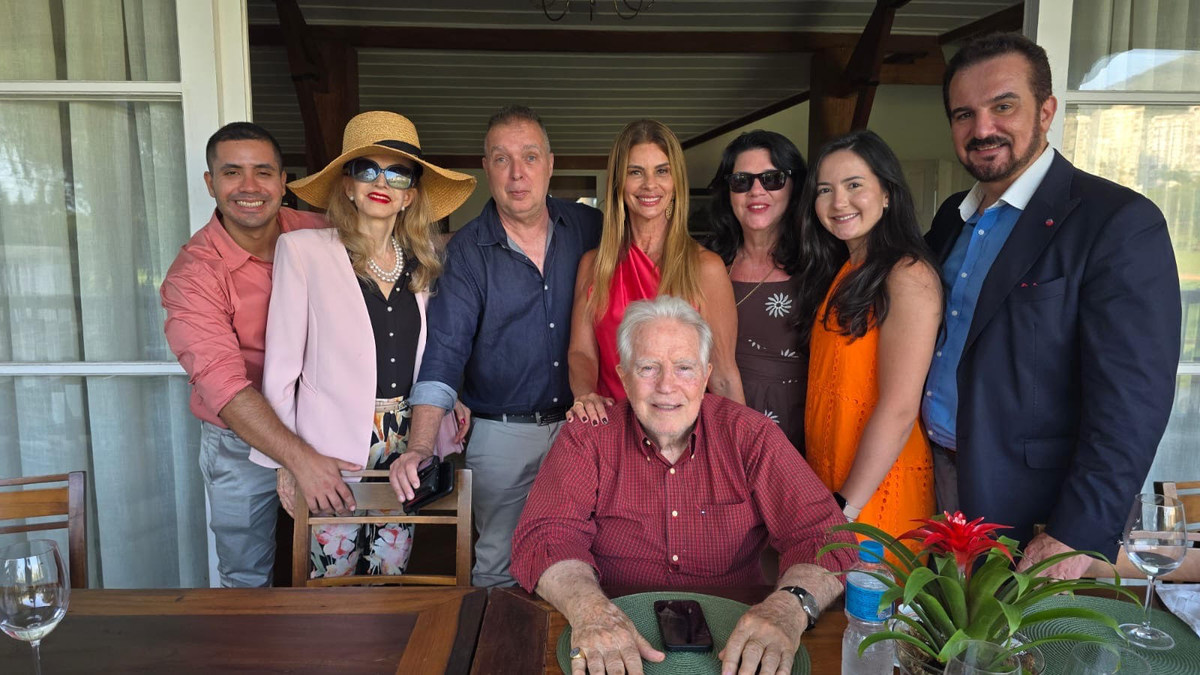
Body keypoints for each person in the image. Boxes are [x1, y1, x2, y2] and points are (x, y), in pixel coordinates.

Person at [923, 33, 1180, 579]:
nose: (982, 128)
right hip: (933, 477)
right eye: (964, 113)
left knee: (1020, 656)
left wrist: (1078, 532)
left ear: (1046, 110)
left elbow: (1132, 401)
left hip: (1031, 506)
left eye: (1003, 106)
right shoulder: (951, 218)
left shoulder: (1116, 222)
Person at [512, 295, 857, 675]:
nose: (666, 386)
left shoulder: (751, 436)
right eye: (647, 368)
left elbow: (828, 536)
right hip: (611, 632)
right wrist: (591, 611)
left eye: (684, 368)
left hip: (734, 640)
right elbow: (543, 536)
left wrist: (788, 608)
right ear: (623, 375)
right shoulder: (588, 438)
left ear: (706, 376)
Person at [247, 111, 473, 577]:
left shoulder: (427, 265)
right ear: (347, 185)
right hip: (327, 442)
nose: (381, 182)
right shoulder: (304, 251)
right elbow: (281, 370)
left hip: (406, 438)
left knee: (391, 568)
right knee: (332, 573)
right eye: (366, 169)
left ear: (410, 195)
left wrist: (455, 400)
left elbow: (438, 349)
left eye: (397, 173)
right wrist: (286, 462)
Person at [390, 106, 603, 587]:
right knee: (500, 567)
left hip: (585, 428)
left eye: (529, 156)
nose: (518, 172)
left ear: (551, 163)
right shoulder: (465, 252)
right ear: (485, 168)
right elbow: (444, 354)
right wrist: (420, 446)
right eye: (502, 159)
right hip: (503, 433)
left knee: (588, 558)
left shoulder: (592, 229)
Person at [162, 122, 335, 587]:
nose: (249, 187)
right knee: (246, 575)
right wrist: (299, 459)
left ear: (284, 181)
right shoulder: (193, 276)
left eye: (263, 172)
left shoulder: (322, 235)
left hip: (327, 426)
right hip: (240, 439)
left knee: (342, 563)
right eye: (232, 172)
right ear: (210, 182)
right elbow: (226, 388)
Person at [795, 129, 941, 552]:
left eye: (854, 185)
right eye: (825, 189)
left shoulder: (907, 275)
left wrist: (845, 508)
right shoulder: (846, 268)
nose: (839, 202)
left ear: (887, 193)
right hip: (835, 478)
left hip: (876, 491)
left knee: (872, 616)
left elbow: (899, 407)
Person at [568, 119, 744, 426]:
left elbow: (725, 374)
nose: (650, 184)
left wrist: (744, 452)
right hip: (612, 431)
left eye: (662, 171)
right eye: (636, 172)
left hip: (685, 437)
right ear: (618, 184)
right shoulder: (593, 266)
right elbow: (582, 353)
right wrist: (585, 395)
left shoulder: (707, 268)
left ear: (676, 181)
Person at [705, 130, 808, 450]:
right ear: (728, 191)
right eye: (741, 181)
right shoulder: (706, 263)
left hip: (805, 422)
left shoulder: (821, 264)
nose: (756, 191)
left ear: (794, 186)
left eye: (772, 178)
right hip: (721, 422)